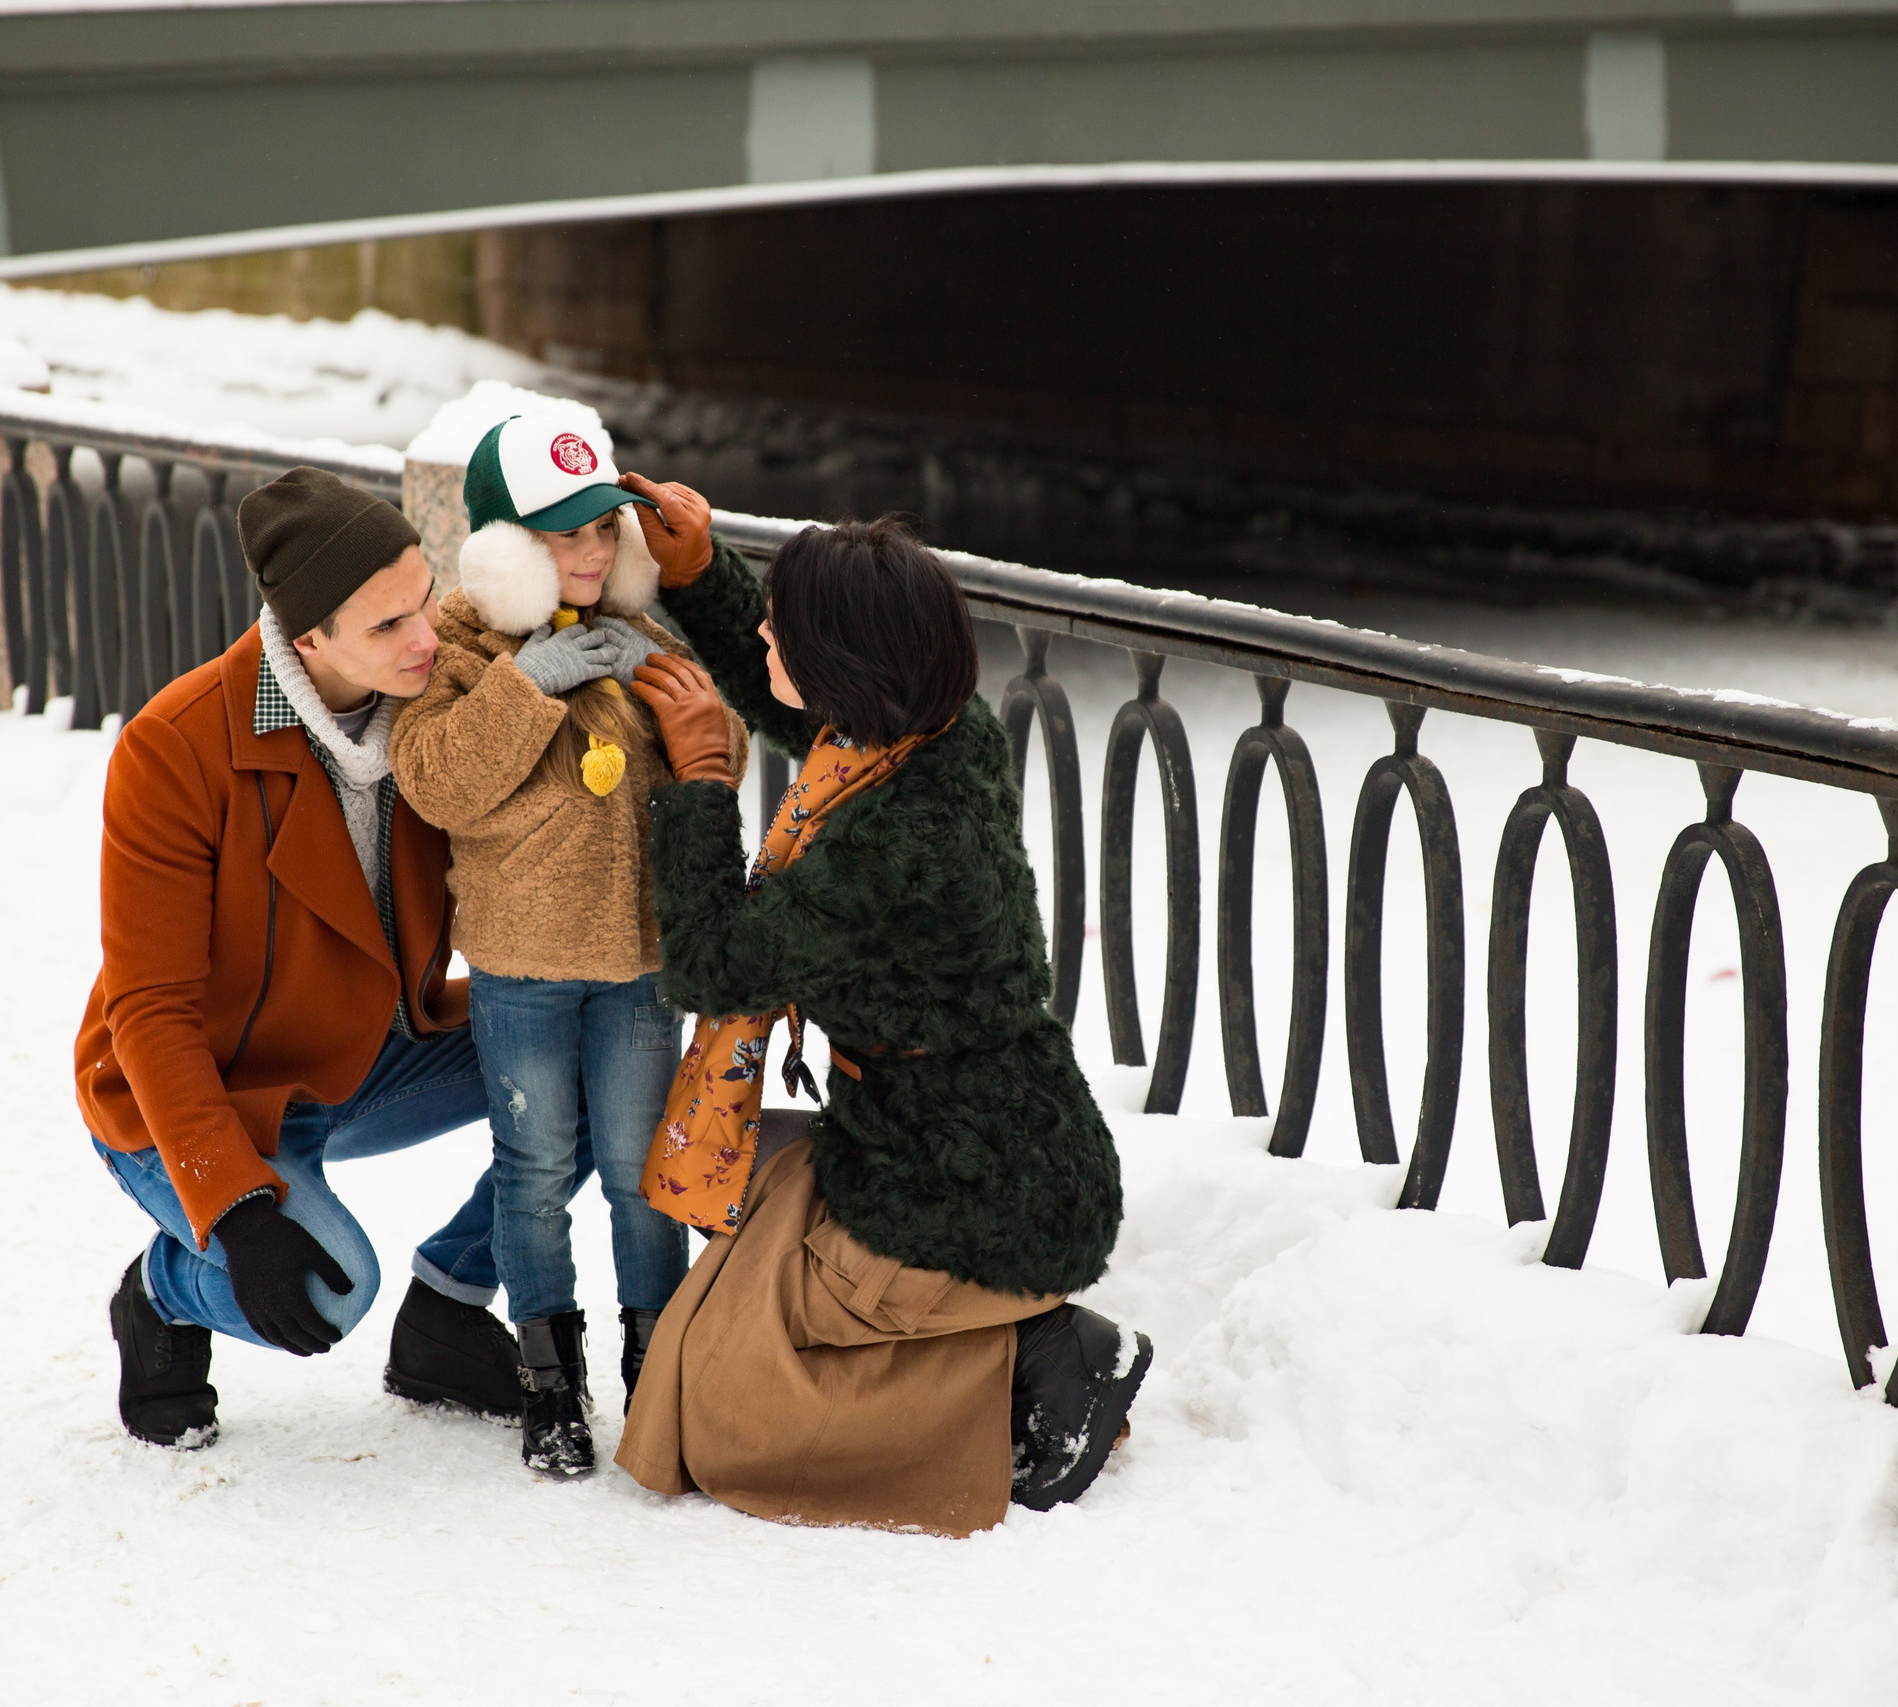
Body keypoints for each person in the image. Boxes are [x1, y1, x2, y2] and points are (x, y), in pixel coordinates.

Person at [614, 495, 1148, 1536]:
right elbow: (802, 703)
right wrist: (695, 578)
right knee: (716, 1326)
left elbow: (719, 963)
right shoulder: (936, 735)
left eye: (780, 625)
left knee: (722, 1410)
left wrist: (703, 780)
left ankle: (1045, 1366)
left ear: (843, 663)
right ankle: (1025, 1350)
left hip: (973, 1184)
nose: (761, 633)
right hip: (953, 1132)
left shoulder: (899, 841)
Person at [82, 466, 538, 1448]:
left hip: (370, 1058)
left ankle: (451, 1307)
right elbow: (149, 1013)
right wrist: (237, 1209)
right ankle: (161, 1294)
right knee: (328, 1293)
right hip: (203, 1100)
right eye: (386, 626)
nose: (425, 639)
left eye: (424, 600)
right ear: (306, 641)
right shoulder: (175, 749)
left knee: (591, 1065)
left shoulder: (434, 703)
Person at [388, 417, 749, 1479]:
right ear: (501, 543)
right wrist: (527, 683)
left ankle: (660, 1370)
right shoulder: (457, 649)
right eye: (557, 539)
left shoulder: (642, 634)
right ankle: (550, 1385)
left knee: (644, 1174)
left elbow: (708, 761)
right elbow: (438, 782)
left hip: (637, 964)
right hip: (520, 966)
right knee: (534, 1171)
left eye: (602, 531)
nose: (589, 557)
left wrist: (680, 697)